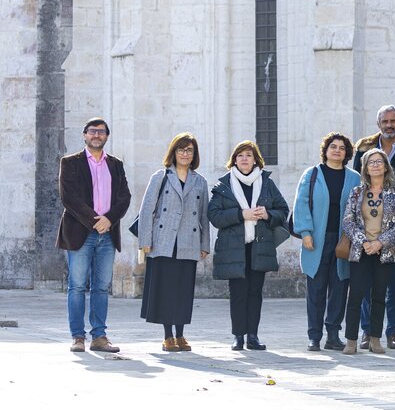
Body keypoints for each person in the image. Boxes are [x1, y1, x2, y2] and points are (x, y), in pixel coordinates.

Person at [57, 117, 132, 353]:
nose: (96, 135)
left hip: (108, 234)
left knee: (101, 287)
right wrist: (94, 221)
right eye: (92, 131)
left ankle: (99, 337)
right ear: (84, 135)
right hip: (80, 232)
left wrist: (108, 219)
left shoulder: (116, 164)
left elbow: (124, 197)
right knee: (77, 286)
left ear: (107, 136)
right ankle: (78, 337)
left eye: (101, 132)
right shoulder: (70, 162)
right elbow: (69, 197)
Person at [351, 104, 395, 350]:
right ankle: (367, 331)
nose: (389, 125)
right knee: (366, 281)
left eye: (393, 121)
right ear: (378, 124)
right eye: (385, 121)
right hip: (367, 227)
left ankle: (393, 331)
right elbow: (357, 187)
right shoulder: (363, 150)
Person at [208, 140, 289, 351]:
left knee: (255, 293)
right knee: (237, 293)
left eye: (249, 155)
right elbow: (214, 215)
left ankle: (253, 335)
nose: (244, 159)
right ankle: (238, 336)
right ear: (234, 159)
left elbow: (283, 210)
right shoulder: (223, 185)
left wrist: (267, 214)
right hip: (234, 248)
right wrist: (240, 214)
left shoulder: (266, 183)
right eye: (240, 155)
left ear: (255, 160)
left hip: (259, 247)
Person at [138, 132, 210, 352]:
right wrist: (145, 241)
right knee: (165, 290)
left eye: (189, 150)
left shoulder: (200, 181)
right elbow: (146, 210)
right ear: (173, 152)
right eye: (181, 149)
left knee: (183, 290)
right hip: (163, 241)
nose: (185, 154)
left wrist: (205, 244)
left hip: (189, 241)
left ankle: (181, 334)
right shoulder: (160, 177)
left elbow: (204, 215)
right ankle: (168, 336)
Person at [293, 133, 359, 351]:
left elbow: (359, 209)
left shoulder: (354, 177)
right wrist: (305, 233)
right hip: (317, 240)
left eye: (342, 147)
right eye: (333, 146)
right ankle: (314, 336)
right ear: (326, 150)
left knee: (340, 287)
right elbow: (301, 203)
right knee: (316, 288)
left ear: (347, 153)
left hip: (343, 241)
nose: (337, 150)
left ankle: (333, 334)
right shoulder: (312, 174)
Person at [341, 148, 395, 354]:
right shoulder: (356, 192)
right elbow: (348, 221)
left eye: (380, 162)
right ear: (365, 168)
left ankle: (375, 339)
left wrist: (380, 243)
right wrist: (363, 242)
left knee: (379, 295)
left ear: (386, 167)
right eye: (371, 162)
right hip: (361, 251)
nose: (376, 165)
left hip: (385, 252)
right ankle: (351, 340)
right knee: (356, 296)